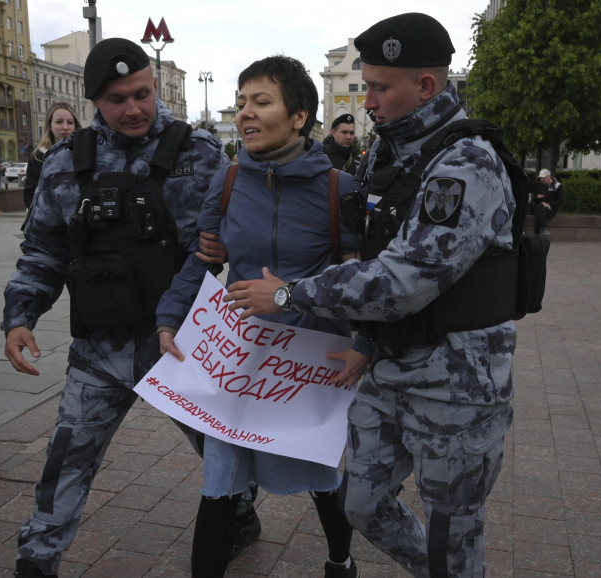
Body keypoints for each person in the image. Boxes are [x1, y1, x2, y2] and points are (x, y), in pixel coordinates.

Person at [224, 13, 516, 577]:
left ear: (425, 86)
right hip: (389, 364)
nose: (369, 99)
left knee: (451, 531)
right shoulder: (390, 151)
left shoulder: (465, 162)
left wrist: (290, 296)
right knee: (360, 503)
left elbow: (403, 280)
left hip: (455, 383)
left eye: (379, 87)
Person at [2, 38, 232, 578]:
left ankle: (237, 514)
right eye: (116, 98)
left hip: (179, 345)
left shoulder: (199, 154)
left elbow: (233, 237)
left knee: (221, 451)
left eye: (143, 93)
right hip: (99, 347)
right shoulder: (65, 163)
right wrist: (20, 316)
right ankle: (37, 560)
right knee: (68, 459)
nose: (133, 108)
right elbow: (42, 251)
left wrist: (228, 249)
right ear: (94, 102)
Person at [157, 56, 362, 578]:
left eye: (261, 101)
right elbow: (205, 260)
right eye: (242, 101)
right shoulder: (227, 182)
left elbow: (361, 283)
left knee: (321, 479)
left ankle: (341, 562)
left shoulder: (341, 190)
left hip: (309, 366)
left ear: (299, 116)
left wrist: (363, 342)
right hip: (240, 360)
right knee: (219, 482)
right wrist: (169, 317)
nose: (246, 112)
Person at [22, 102, 81, 209]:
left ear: (75, 125)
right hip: (49, 221)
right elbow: (29, 194)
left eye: (70, 122)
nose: (65, 127)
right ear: (49, 125)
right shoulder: (38, 157)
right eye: (59, 122)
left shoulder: (85, 152)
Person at [532, 168, 563, 235]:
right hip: (540, 208)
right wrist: (538, 197)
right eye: (541, 178)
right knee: (539, 207)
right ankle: (544, 228)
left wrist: (548, 205)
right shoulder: (540, 185)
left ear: (549, 176)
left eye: (544, 178)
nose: (542, 180)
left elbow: (561, 201)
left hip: (551, 209)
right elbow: (533, 200)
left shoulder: (557, 186)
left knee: (538, 209)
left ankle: (536, 234)